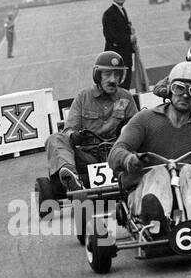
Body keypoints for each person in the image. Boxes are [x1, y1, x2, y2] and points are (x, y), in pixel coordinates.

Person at [107, 62, 191, 232]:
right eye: (180, 88)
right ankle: (157, 223)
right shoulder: (144, 120)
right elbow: (115, 153)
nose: (186, 96)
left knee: (189, 171)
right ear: (169, 90)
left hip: (189, 193)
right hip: (145, 192)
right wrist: (129, 159)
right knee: (159, 172)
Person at [46, 51, 137, 193]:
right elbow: (68, 130)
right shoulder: (84, 96)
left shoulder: (126, 97)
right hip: (89, 157)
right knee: (55, 138)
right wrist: (74, 136)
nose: (113, 80)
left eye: (117, 74)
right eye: (107, 74)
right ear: (98, 76)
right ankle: (71, 177)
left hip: (118, 154)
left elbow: (137, 128)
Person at [101, 0, 137, 86]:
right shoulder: (109, 13)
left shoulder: (122, 10)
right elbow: (110, 36)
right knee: (119, 88)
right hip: (116, 60)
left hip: (125, 57)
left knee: (125, 88)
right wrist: (129, 39)